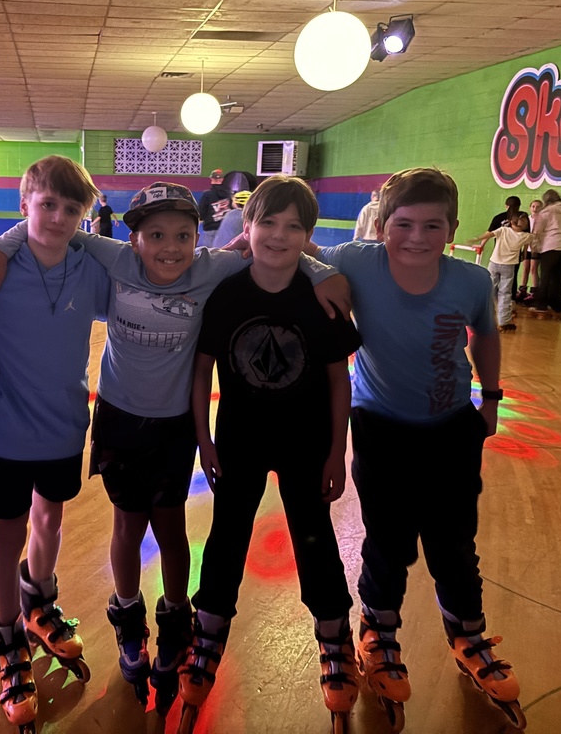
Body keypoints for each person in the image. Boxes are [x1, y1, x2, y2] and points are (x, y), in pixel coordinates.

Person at [0, 181, 349, 712]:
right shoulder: (110, 255)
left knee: (173, 531)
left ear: (199, 239)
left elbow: (272, 251)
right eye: (154, 234)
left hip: (174, 425)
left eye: (182, 235)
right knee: (127, 526)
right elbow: (53, 230)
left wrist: (321, 270)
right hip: (119, 419)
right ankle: (128, 616)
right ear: (133, 240)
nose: (169, 246)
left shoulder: (214, 267)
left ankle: (177, 615)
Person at [309, 168, 525, 729]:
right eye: (404, 224)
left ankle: (468, 635)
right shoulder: (358, 261)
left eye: (434, 225)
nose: (417, 237)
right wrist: (247, 241)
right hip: (381, 426)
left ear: (453, 229)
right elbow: (298, 247)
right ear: (383, 226)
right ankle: (378, 631)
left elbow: (486, 334)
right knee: (390, 540)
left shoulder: (471, 280)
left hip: (453, 425)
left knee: (455, 541)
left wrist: (492, 398)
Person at [179, 175, 362, 731]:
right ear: (247, 227)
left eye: (294, 227)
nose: (279, 236)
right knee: (227, 534)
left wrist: (338, 452)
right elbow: (202, 369)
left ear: (307, 236)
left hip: (307, 443)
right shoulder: (227, 293)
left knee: (314, 535)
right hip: (239, 438)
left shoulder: (321, 297)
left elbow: (338, 381)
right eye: (269, 224)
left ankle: (334, 638)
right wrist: (204, 440)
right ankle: (207, 634)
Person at [0, 155, 111, 731]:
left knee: (49, 521)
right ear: (25, 202)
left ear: (83, 214)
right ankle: (7, 638)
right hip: (6, 426)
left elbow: (146, 264)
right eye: (45, 203)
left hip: (61, 424)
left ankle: (38, 602)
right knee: (7, 535)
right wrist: (2, 243)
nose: (56, 216)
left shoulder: (89, 266)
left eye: (70, 207)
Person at [471, 211, 535, 332]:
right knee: (505, 294)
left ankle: (481, 319)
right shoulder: (527, 236)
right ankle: (504, 321)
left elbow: (489, 234)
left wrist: (477, 239)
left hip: (494, 263)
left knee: (489, 290)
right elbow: (531, 244)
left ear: (511, 222)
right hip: (509, 266)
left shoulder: (503, 230)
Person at [516, 199, 542, 304]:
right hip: (527, 247)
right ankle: (522, 290)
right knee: (525, 268)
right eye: (533, 206)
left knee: (533, 269)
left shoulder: (542, 220)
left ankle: (535, 291)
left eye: (538, 207)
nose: (535, 209)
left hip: (537, 247)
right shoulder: (527, 219)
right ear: (530, 208)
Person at [197, 169, 231, 248]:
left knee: (209, 254)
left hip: (210, 228)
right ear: (222, 180)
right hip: (224, 229)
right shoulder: (229, 195)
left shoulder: (207, 194)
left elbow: (201, 213)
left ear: (211, 179)